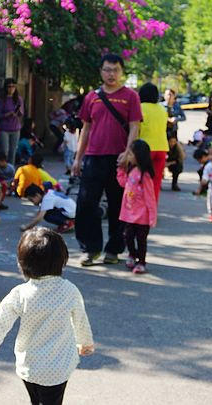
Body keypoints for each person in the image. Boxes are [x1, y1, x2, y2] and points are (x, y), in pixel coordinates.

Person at [0, 228, 94, 405]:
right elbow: (80, 320)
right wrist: (85, 342)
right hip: (58, 366)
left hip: (30, 366)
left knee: (36, 398)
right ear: (62, 261)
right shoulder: (69, 290)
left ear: (22, 263)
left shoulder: (20, 294)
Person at [72, 54, 142, 267]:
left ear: (122, 72)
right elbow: (86, 128)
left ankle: (114, 249)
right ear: (101, 71)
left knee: (118, 204)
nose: (111, 74)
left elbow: (134, 126)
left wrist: (129, 153)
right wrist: (78, 158)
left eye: (115, 70)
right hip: (93, 157)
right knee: (86, 203)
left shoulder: (130, 96)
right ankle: (90, 249)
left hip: (119, 159)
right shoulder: (92, 97)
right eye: (107, 70)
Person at [116, 140, 157, 274]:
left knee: (141, 240)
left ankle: (141, 262)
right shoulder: (131, 170)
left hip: (142, 216)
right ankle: (132, 255)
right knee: (127, 236)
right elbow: (122, 183)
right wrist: (120, 169)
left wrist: (152, 216)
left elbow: (150, 198)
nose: (129, 156)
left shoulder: (145, 176)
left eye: (131, 154)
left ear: (138, 155)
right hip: (128, 213)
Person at [138, 83, 168, 205]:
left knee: (139, 180)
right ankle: (152, 208)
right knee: (155, 182)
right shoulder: (162, 109)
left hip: (144, 149)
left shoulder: (139, 107)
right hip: (161, 148)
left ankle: (140, 208)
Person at [0, 78, 24, 165]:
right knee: (5, 150)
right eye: (9, 87)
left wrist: (18, 112)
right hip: (4, 127)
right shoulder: (1, 100)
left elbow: (22, 113)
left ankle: (11, 170)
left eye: (13, 87)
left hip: (15, 128)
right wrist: (7, 114)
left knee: (13, 151)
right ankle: (2, 168)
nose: (11, 89)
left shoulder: (18, 99)